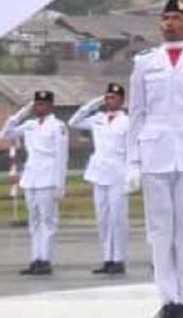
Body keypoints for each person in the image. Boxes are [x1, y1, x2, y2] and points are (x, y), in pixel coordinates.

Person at [127, 0, 183, 318]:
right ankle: (168, 299)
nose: (169, 23)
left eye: (176, 17)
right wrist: (133, 161)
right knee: (160, 231)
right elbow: (136, 114)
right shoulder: (145, 62)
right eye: (165, 18)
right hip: (154, 153)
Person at [0, 89, 68, 275]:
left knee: (48, 221)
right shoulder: (29, 124)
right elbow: (4, 134)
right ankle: (35, 259)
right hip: (31, 178)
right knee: (34, 221)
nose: (39, 107)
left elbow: (62, 157)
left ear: (51, 106)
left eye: (43, 104)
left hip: (48, 177)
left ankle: (45, 260)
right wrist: (21, 113)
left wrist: (60, 184)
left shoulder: (58, 126)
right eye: (37, 104)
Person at [69, 82, 130, 274]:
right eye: (108, 97)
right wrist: (94, 103)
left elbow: (134, 148)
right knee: (102, 218)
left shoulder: (128, 121)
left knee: (117, 218)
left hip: (119, 173)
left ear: (121, 100)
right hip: (99, 173)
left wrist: (133, 173)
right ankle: (107, 258)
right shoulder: (97, 118)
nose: (110, 101)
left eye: (114, 98)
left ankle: (119, 259)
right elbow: (74, 122)